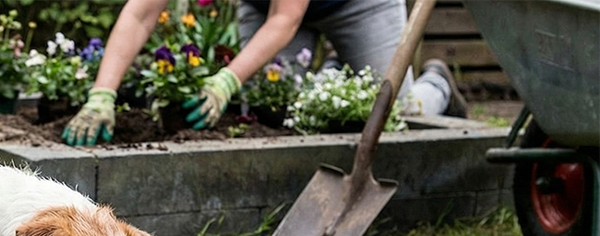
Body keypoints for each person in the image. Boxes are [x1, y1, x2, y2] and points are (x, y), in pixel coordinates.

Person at [63, 0, 467, 146]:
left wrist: (225, 81)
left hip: (357, 4)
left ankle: (438, 87)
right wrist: (102, 94)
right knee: (275, 110)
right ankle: (333, 75)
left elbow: (285, 19)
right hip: (265, 5)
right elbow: (139, 13)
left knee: (394, 108)